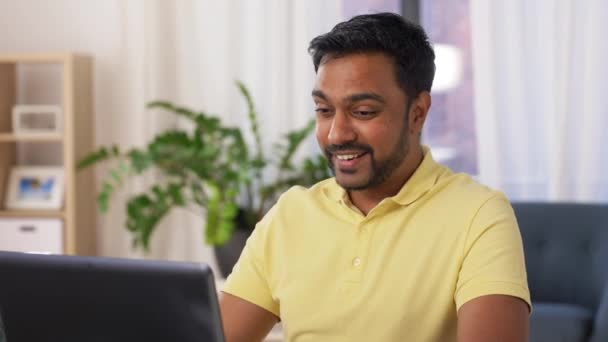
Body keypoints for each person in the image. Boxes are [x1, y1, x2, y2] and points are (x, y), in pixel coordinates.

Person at [220, 12, 530, 342]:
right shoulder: (291, 213)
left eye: (363, 112)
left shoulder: (479, 214)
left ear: (417, 113)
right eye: (325, 111)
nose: (337, 134)